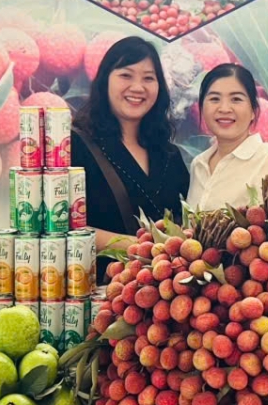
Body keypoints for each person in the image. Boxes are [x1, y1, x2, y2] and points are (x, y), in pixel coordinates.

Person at [71, 36, 191, 258]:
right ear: (105, 81)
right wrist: (140, 246)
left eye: (148, 78)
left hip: (165, 279)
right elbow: (60, 228)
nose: (137, 87)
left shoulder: (169, 155)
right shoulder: (76, 145)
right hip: (97, 278)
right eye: (126, 75)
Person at [186, 63, 268, 211]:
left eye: (236, 99)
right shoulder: (198, 165)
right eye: (214, 99)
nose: (224, 109)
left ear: (253, 111)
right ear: (202, 108)